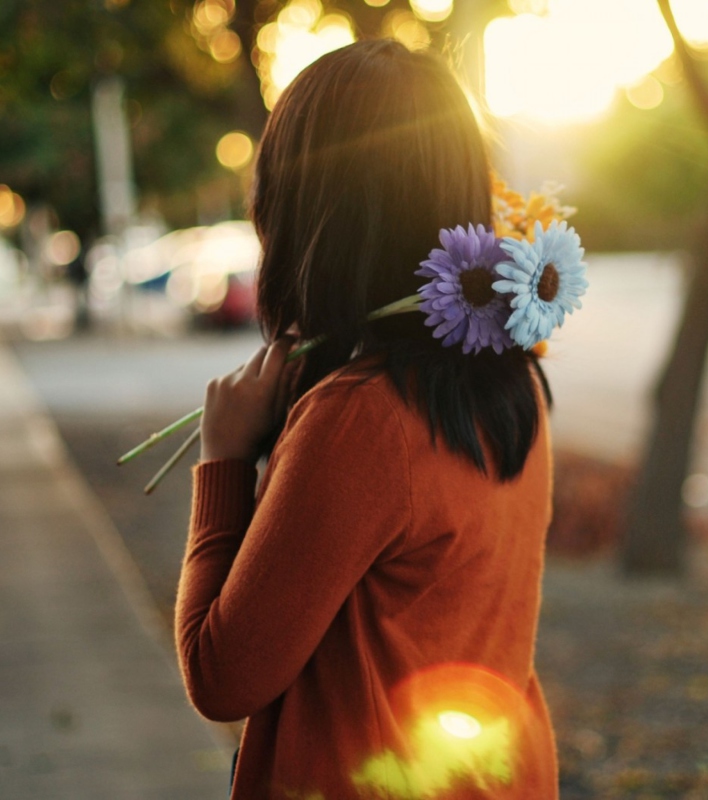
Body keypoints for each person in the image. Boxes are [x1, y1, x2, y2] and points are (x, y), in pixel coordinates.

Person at [175, 39, 568, 799]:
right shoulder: (514, 379)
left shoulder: (363, 416)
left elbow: (221, 677)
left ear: (304, 204)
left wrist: (222, 458)